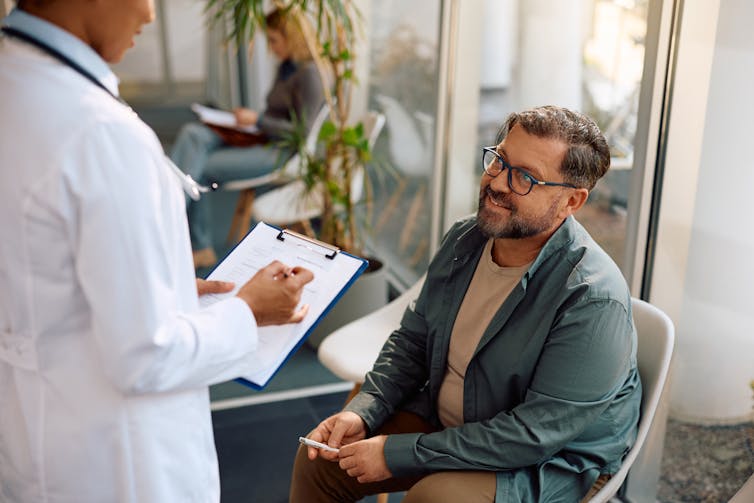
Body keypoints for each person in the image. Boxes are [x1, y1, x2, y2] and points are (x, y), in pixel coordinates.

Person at [0, 1, 314, 502]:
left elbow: (41, 277)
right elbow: (146, 356)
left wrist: (158, 286)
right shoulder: (100, 135)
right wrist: (247, 312)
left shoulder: (17, 89)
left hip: (42, 443)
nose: (149, 16)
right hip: (118, 468)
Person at [290, 105, 643, 503]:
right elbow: (412, 342)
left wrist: (401, 454)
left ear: (572, 202)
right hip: (456, 420)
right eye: (499, 161)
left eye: (524, 177)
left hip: (546, 461)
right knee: (320, 459)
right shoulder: (466, 239)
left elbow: (533, 434)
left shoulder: (592, 299)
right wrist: (364, 410)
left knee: (435, 498)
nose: (498, 183)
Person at [170, 7, 326, 268]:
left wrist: (257, 120)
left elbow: (301, 134)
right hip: (261, 137)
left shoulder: (309, 74)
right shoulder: (286, 67)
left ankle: (186, 231)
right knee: (193, 133)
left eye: (275, 40)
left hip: (281, 150)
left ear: (294, 37)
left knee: (201, 168)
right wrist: (249, 124)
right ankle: (171, 205)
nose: (271, 47)